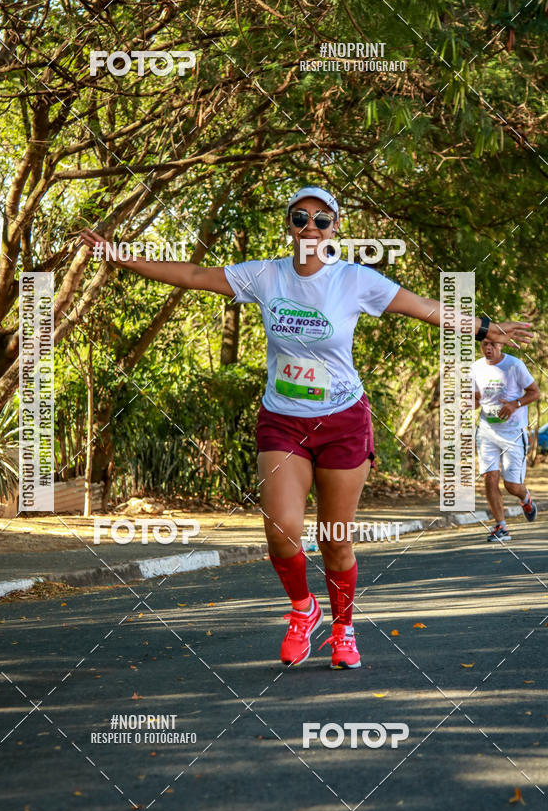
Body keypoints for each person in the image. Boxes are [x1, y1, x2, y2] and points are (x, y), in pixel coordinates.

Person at [80, 186, 532, 669]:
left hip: (343, 422)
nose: (311, 227)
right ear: (289, 226)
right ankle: (303, 609)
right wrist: (121, 258)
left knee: (335, 537)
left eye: (322, 219)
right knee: (281, 531)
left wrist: (485, 328)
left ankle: (343, 629)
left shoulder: (356, 280)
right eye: (301, 218)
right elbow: (191, 274)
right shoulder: (265, 275)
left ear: (336, 227)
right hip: (282, 421)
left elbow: (425, 309)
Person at [473, 338, 540, 542]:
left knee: (511, 485)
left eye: (492, 344)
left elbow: (535, 392)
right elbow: (476, 398)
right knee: (490, 477)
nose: (488, 348)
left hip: (513, 433)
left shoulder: (515, 365)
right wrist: (467, 403)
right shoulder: (475, 368)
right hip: (487, 431)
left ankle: (525, 498)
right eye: (484, 344)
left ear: (501, 345)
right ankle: (500, 526)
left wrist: (514, 404)